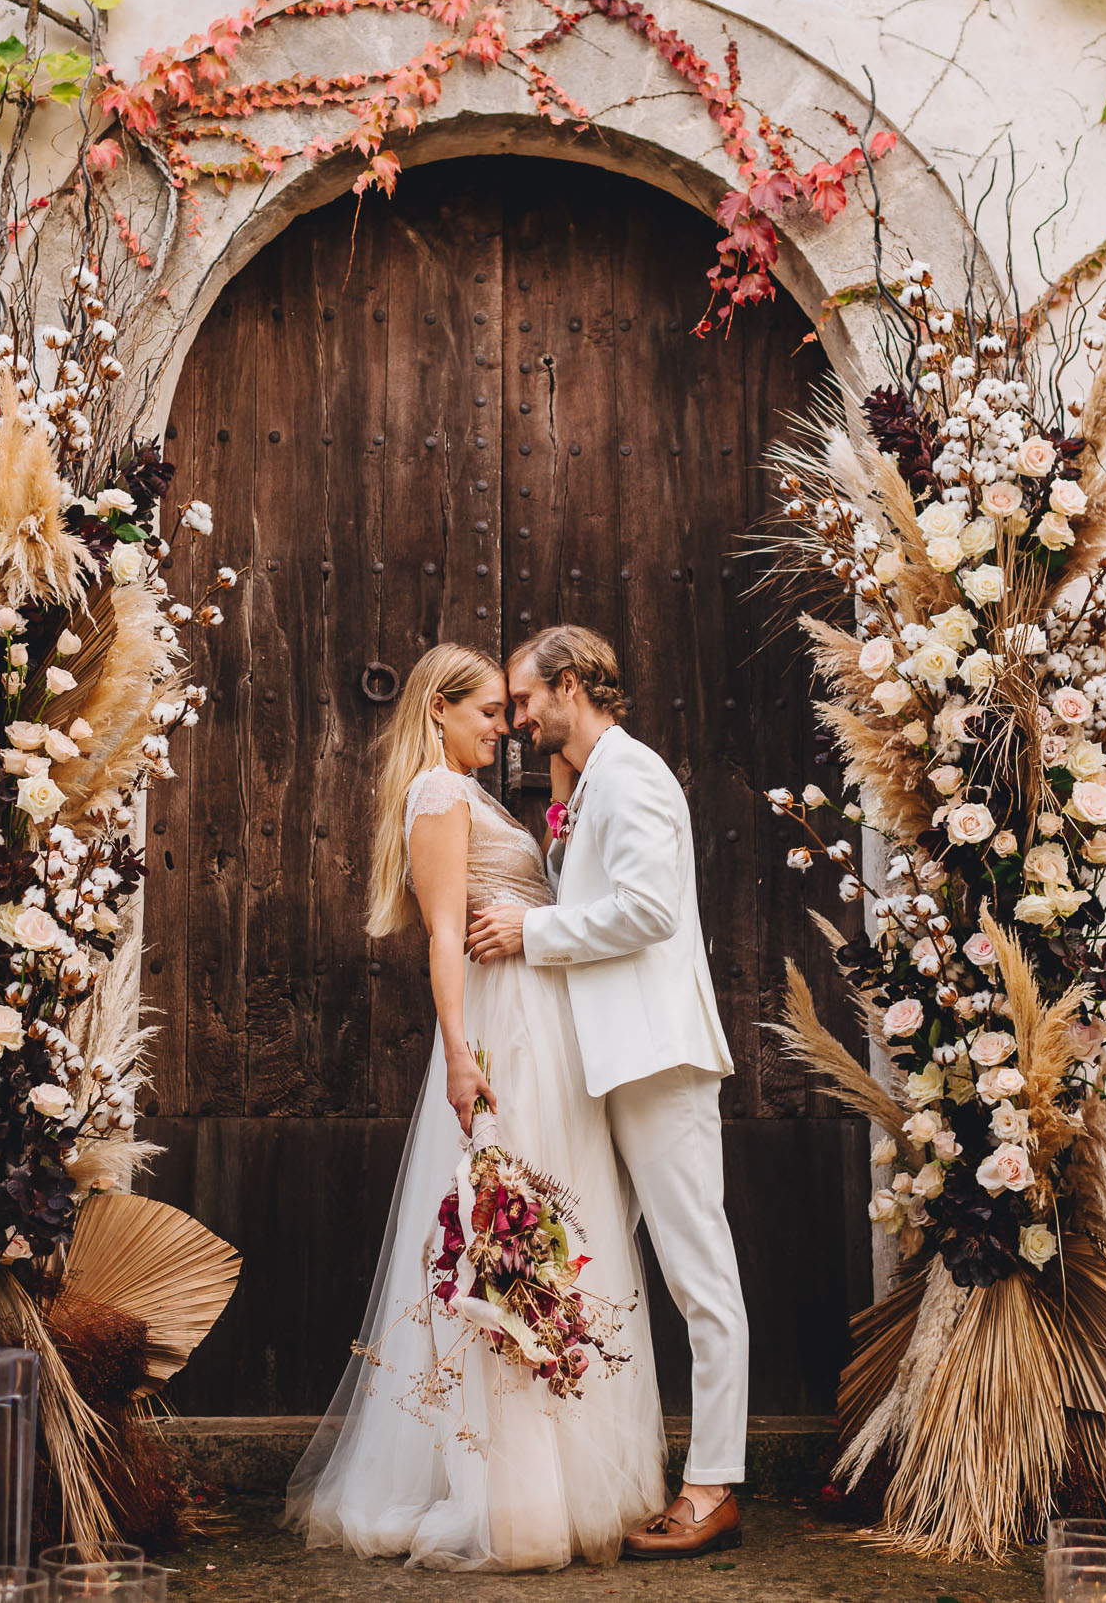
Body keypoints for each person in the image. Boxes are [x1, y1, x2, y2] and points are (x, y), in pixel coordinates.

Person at [283, 642, 665, 1571]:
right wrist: (459, 1054)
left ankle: (565, 1473)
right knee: (511, 1234)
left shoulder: (475, 794)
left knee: (552, 1228)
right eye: (489, 711)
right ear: (438, 712)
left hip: (543, 1021)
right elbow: (445, 936)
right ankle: (516, 1492)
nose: (507, 726)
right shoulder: (438, 798)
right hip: (502, 1031)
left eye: (509, 708)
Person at [466, 624, 748, 1561]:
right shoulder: (588, 786)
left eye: (525, 699)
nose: (514, 718)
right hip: (606, 1063)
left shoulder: (635, 776)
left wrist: (530, 931)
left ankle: (713, 1488)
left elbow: (648, 910)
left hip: (656, 1058)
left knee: (696, 1271)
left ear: (574, 683)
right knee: (611, 1272)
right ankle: (622, 1471)